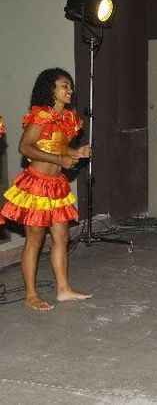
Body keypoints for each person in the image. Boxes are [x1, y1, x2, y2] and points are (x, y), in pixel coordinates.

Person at [0, 68, 91, 311]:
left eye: (70, 85)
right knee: (35, 239)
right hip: (36, 185)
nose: (69, 89)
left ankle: (63, 289)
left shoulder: (66, 119)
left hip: (56, 186)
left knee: (62, 237)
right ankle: (31, 294)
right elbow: (25, 147)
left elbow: (57, 149)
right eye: (64, 85)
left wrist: (75, 152)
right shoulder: (41, 115)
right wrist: (61, 160)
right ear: (51, 89)